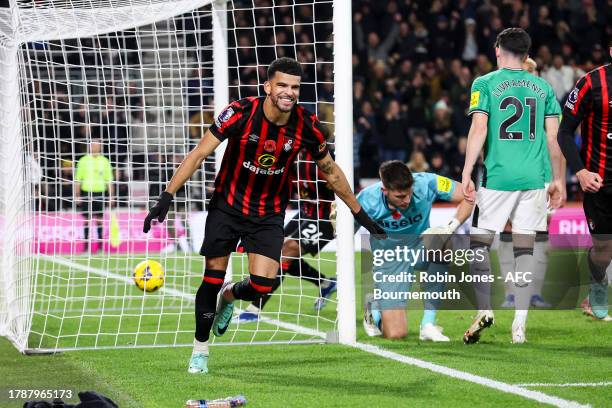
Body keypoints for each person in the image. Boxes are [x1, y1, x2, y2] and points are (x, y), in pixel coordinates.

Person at [142, 57, 384, 374]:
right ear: (267, 86)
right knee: (211, 279)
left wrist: (359, 213)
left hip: (268, 212)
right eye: (282, 85)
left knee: (262, 284)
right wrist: (167, 195)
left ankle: (230, 296)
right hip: (227, 206)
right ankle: (200, 350)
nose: (289, 92)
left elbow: (331, 171)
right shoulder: (240, 113)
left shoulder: (307, 126)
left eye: (294, 87)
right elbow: (199, 153)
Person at [461, 28, 565, 344]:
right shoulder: (543, 87)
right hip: (534, 179)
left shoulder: (484, 83)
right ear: (526, 53)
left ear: (497, 50)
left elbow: (479, 128)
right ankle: (519, 326)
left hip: (498, 178)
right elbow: (553, 139)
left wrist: (466, 171)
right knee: (525, 250)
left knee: (479, 245)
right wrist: (558, 179)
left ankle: (485, 308)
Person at [360, 161, 474, 341]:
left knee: (443, 242)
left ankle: (428, 323)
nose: (406, 200)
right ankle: (374, 304)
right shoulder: (366, 199)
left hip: (420, 247)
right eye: (400, 196)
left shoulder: (427, 182)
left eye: (409, 193)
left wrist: (450, 227)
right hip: (390, 260)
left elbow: (469, 195)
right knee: (396, 334)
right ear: (385, 191)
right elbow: (342, 232)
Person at [239, 150, 337, 321]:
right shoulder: (289, 159)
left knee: (286, 251)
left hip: (326, 217)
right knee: (276, 248)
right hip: (306, 212)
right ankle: (325, 283)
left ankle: (254, 309)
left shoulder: (322, 159)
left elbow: (339, 184)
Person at [499, 56, 560, 310]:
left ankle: (534, 292)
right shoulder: (503, 103)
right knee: (508, 235)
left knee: (539, 239)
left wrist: (557, 179)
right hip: (508, 179)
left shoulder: (548, 103)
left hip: (542, 179)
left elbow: (557, 144)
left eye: (531, 73)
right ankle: (511, 293)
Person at [557, 45, 612, 321]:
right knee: (604, 249)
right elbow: (564, 131)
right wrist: (580, 172)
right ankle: (598, 279)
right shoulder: (591, 82)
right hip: (599, 184)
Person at [75, 138, 114, 253]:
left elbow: (109, 181)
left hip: (100, 193)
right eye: (93, 146)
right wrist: (77, 195)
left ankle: (101, 247)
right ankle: (86, 248)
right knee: (87, 220)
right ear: (90, 147)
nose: (95, 148)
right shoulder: (83, 160)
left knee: (100, 220)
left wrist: (111, 196)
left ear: (100, 148)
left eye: (97, 146)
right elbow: (78, 180)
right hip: (87, 192)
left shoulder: (105, 161)